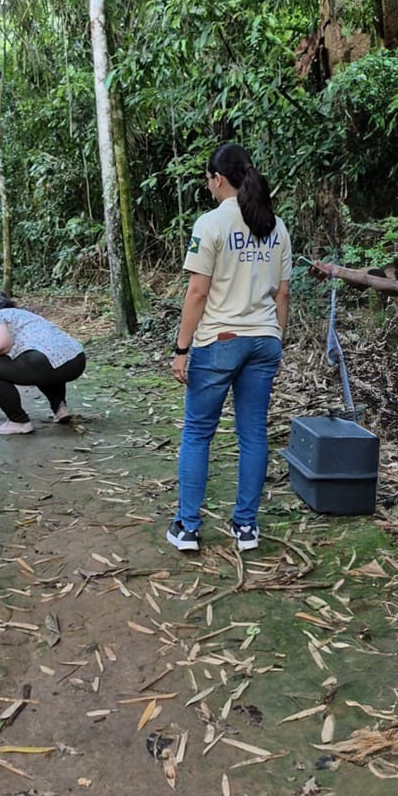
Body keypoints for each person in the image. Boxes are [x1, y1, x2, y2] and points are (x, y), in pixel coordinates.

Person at [168, 143, 291, 552]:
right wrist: (277, 339)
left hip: (220, 341)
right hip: (264, 341)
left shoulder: (210, 224)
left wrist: (181, 348)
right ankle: (246, 527)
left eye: (208, 180)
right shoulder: (276, 226)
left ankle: (187, 526)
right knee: (253, 434)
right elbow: (283, 297)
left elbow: (197, 293)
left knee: (199, 433)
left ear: (217, 179)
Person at [0, 293, 87, 435]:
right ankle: (60, 408)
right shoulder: (26, 316)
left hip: (45, 360)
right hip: (77, 359)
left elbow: (0, 345)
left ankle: (18, 421)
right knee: (38, 364)